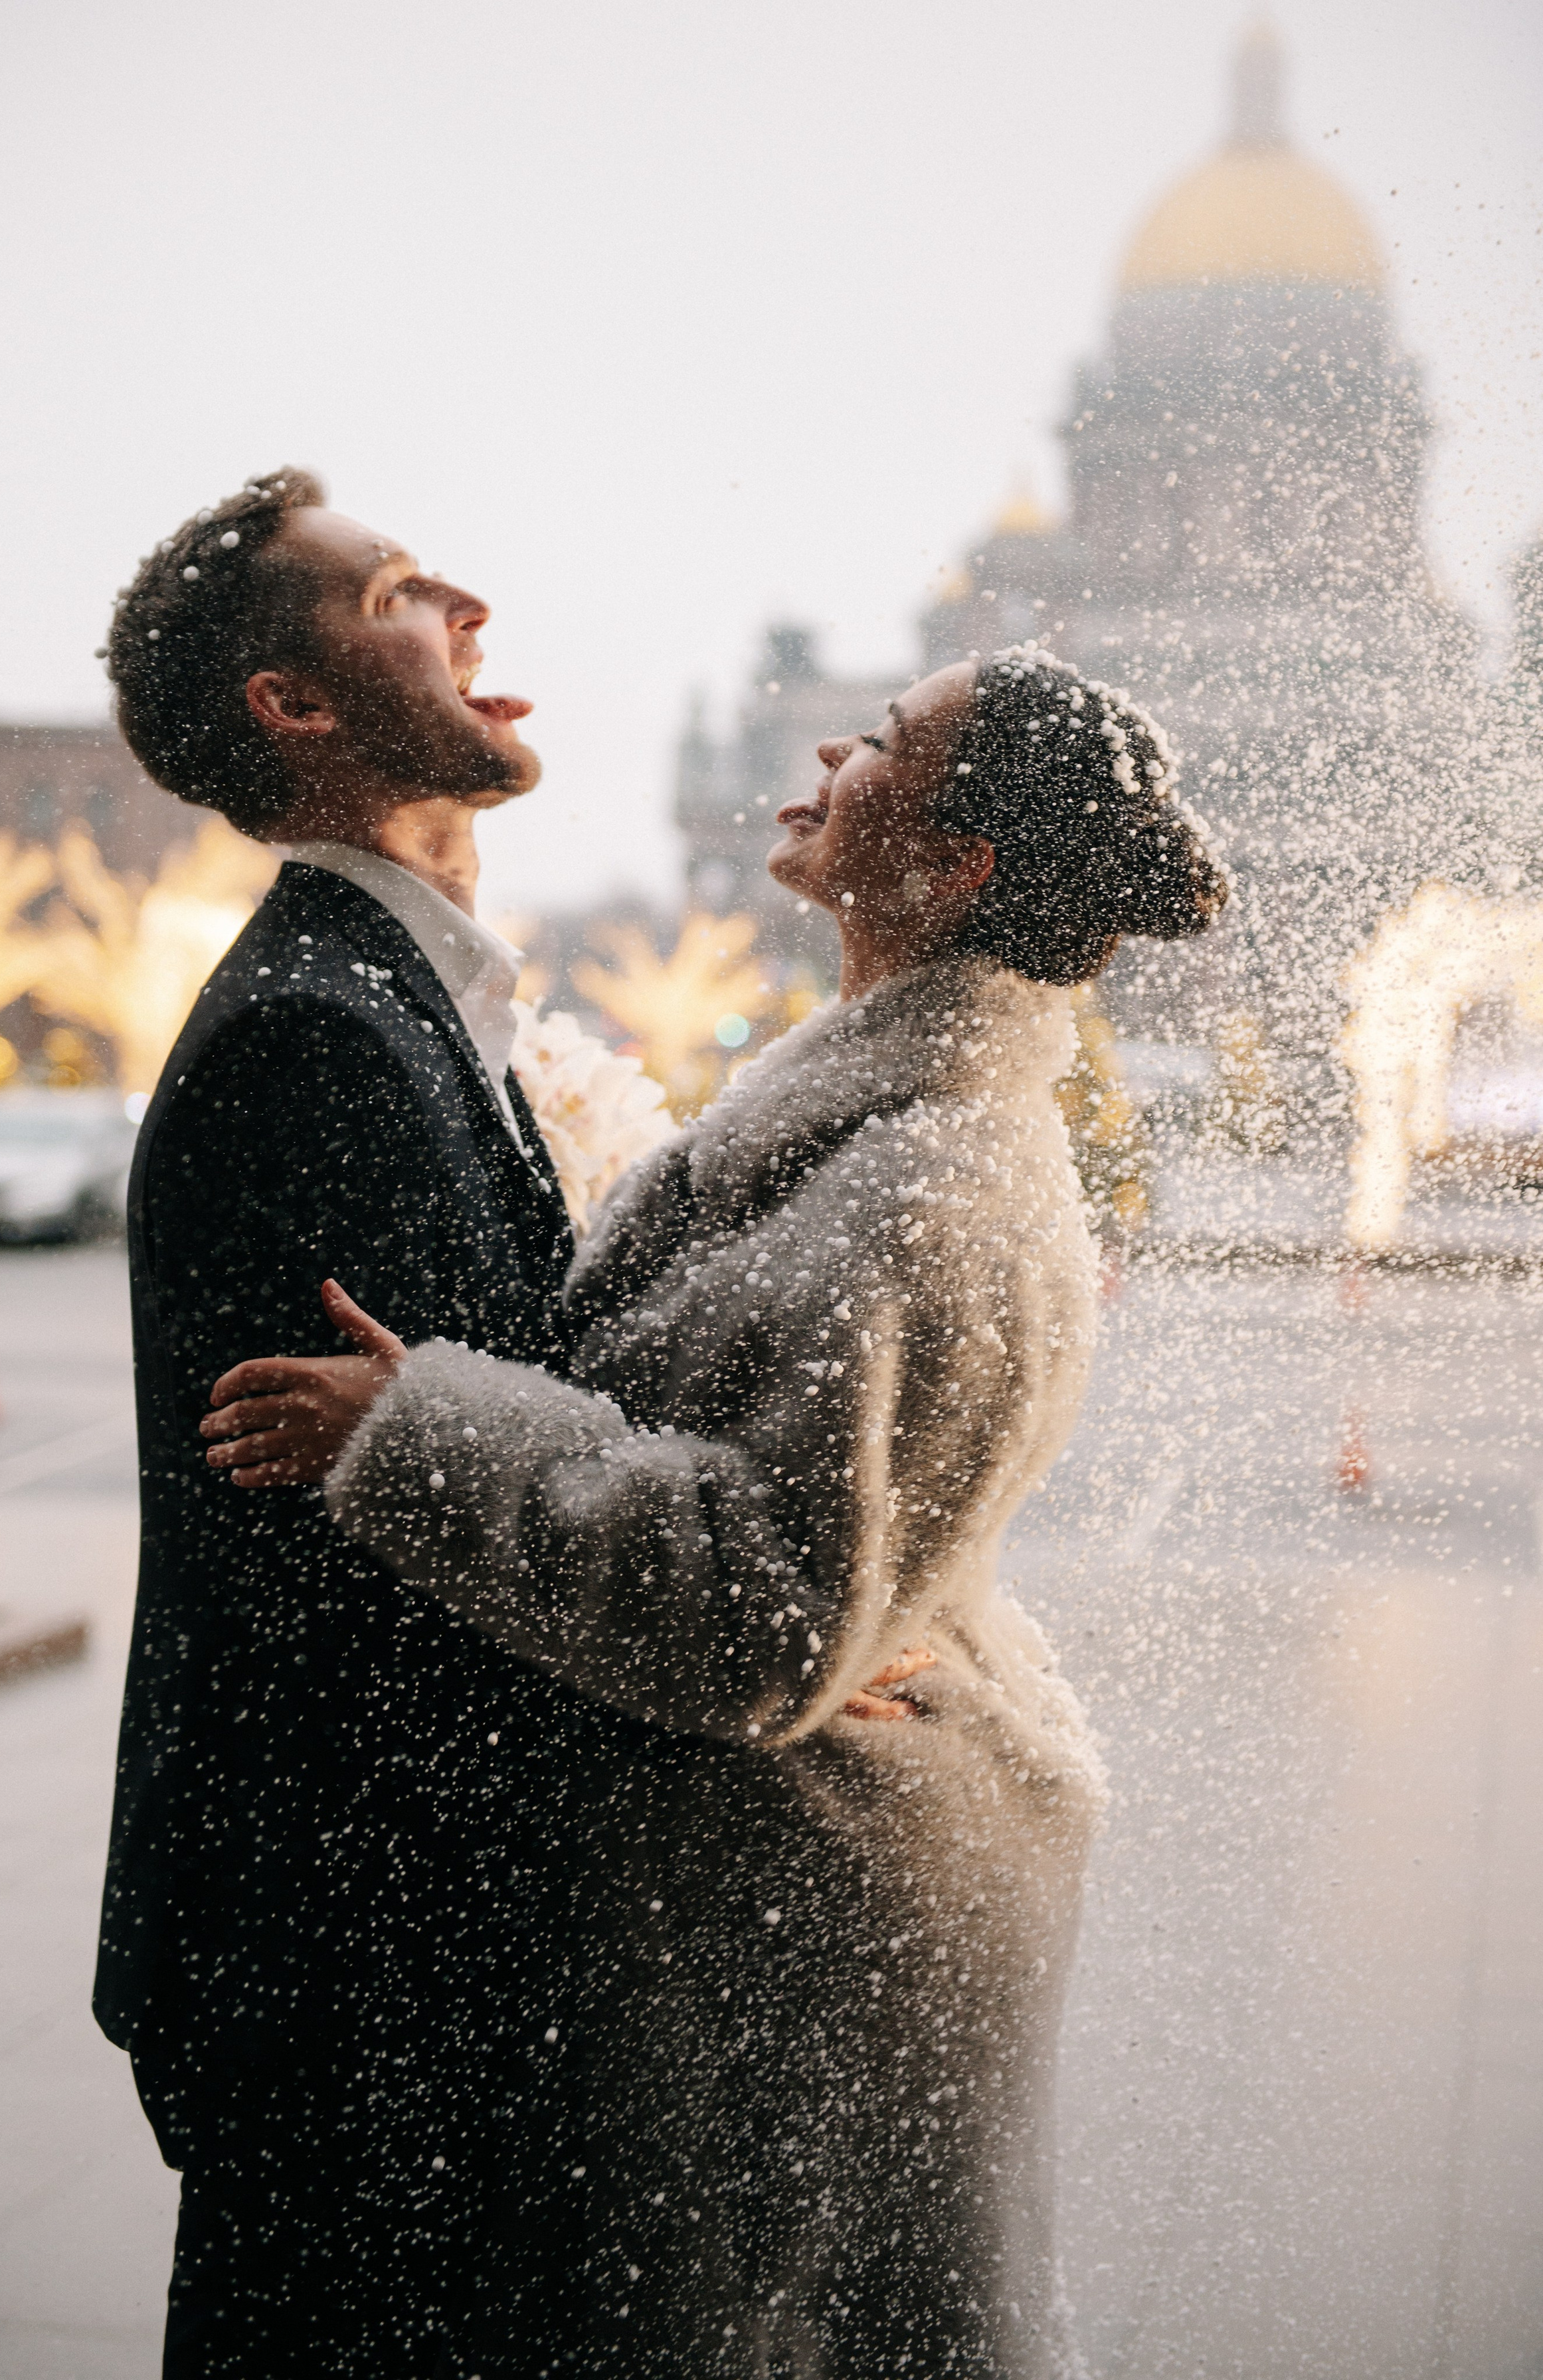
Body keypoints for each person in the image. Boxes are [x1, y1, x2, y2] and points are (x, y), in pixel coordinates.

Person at [201, 645, 1228, 2376]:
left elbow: (769, 1613)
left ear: (957, 864)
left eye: (889, 740)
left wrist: (421, 1433)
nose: (835, 745)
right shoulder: (866, 1123)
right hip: (761, 1905)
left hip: (812, 1942)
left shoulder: (941, 1189)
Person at [94, 468, 627, 2376]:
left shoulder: (390, 993)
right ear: (296, 706)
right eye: (399, 588)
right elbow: (447, 1547)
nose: (466, 599)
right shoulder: (323, 1031)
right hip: (364, 1959)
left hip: (362, 1945)